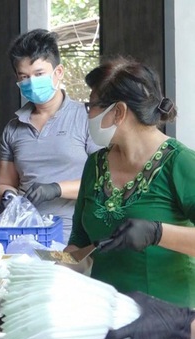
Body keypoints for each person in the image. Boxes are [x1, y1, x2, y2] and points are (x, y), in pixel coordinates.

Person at [66, 57, 195, 308]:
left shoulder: (180, 163)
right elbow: (79, 242)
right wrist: (46, 272)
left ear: (118, 112)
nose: (88, 114)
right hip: (105, 317)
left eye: (91, 106)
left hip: (168, 322)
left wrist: (158, 233)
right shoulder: (95, 165)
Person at [0, 29, 100, 242]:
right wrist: (7, 196)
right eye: (24, 77)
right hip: (24, 233)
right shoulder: (13, 128)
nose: (31, 82)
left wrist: (56, 189)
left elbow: (103, 182)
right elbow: (4, 183)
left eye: (39, 74)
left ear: (58, 72)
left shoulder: (87, 119)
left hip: (75, 235)